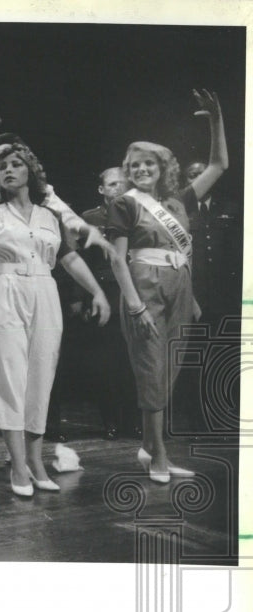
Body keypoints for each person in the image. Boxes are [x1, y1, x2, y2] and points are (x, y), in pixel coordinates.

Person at [0, 138, 112, 497]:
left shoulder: (49, 215)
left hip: (43, 290)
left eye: (16, 164)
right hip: (1, 288)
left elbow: (68, 258)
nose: (9, 169)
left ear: (30, 171)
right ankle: (18, 465)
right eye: (1, 165)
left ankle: (37, 461)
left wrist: (97, 292)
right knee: (9, 376)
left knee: (41, 374)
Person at [107, 90, 228, 482]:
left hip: (180, 288)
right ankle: (158, 455)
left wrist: (216, 119)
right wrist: (134, 306)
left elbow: (220, 164)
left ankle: (150, 446)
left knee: (167, 372)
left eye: (148, 163)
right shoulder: (125, 203)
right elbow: (116, 258)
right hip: (145, 289)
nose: (141, 169)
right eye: (134, 164)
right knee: (151, 370)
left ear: (162, 168)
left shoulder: (178, 203)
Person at [59, 167, 139, 440]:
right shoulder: (89, 219)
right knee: (106, 364)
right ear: (101, 189)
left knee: (132, 363)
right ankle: (110, 421)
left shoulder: (138, 213)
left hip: (132, 292)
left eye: (123, 183)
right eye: (113, 184)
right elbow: (75, 260)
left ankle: (133, 421)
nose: (119, 188)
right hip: (102, 292)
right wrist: (79, 297)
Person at [182, 161, 241, 328]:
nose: (199, 178)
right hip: (194, 293)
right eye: (193, 175)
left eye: (203, 173)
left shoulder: (232, 208)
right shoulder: (181, 212)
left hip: (226, 292)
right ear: (186, 182)